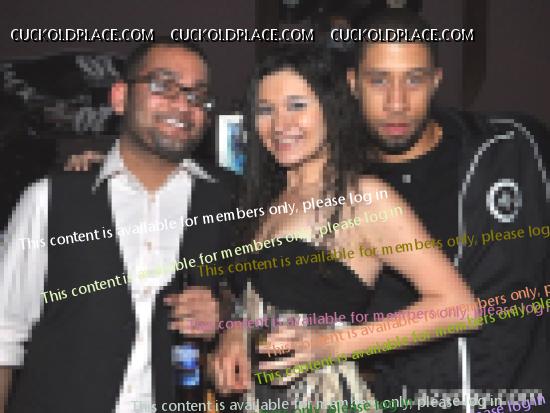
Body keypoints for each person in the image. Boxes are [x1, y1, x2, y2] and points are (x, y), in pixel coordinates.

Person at [210, 46, 478, 410]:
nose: (280, 124)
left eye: (297, 105)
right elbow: (251, 296)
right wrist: (234, 330)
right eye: (265, 110)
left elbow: (459, 308)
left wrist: (332, 344)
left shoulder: (364, 198)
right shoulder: (266, 198)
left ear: (332, 109)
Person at [0, 41, 236, 413]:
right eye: (163, 85)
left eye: (196, 96)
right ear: (120, 97)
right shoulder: (50, 199)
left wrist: (225, 317)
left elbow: (258, 303)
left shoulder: (231, 202)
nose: (182, 105)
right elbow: (4, 335)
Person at [346, 9, 550, 410]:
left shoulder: (515, 147)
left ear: (436, 81)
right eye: (379, 80)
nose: (397, 103)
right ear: (353, 84)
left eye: (414, 79)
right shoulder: (340, 188)